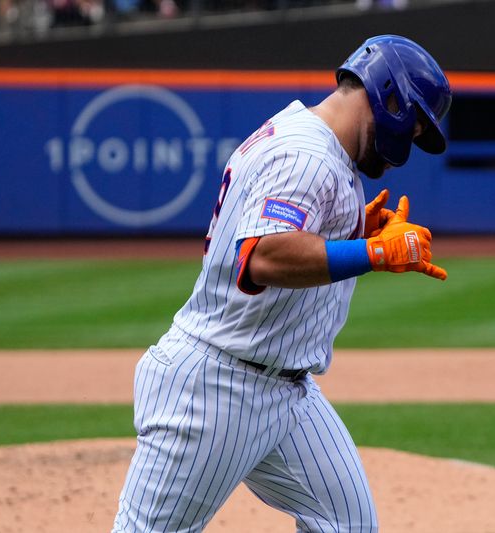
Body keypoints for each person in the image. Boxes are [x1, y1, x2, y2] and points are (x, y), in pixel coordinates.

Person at [111, 34, 451, 533]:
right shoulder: (306, 155)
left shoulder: (312, 140)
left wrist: (352, 227)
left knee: (346, 525)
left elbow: (281, 232)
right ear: (392, 99)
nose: (413, 137)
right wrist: (371, 252)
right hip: (218, 385)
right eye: (416, 122)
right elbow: (263, 255)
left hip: (288, 392)